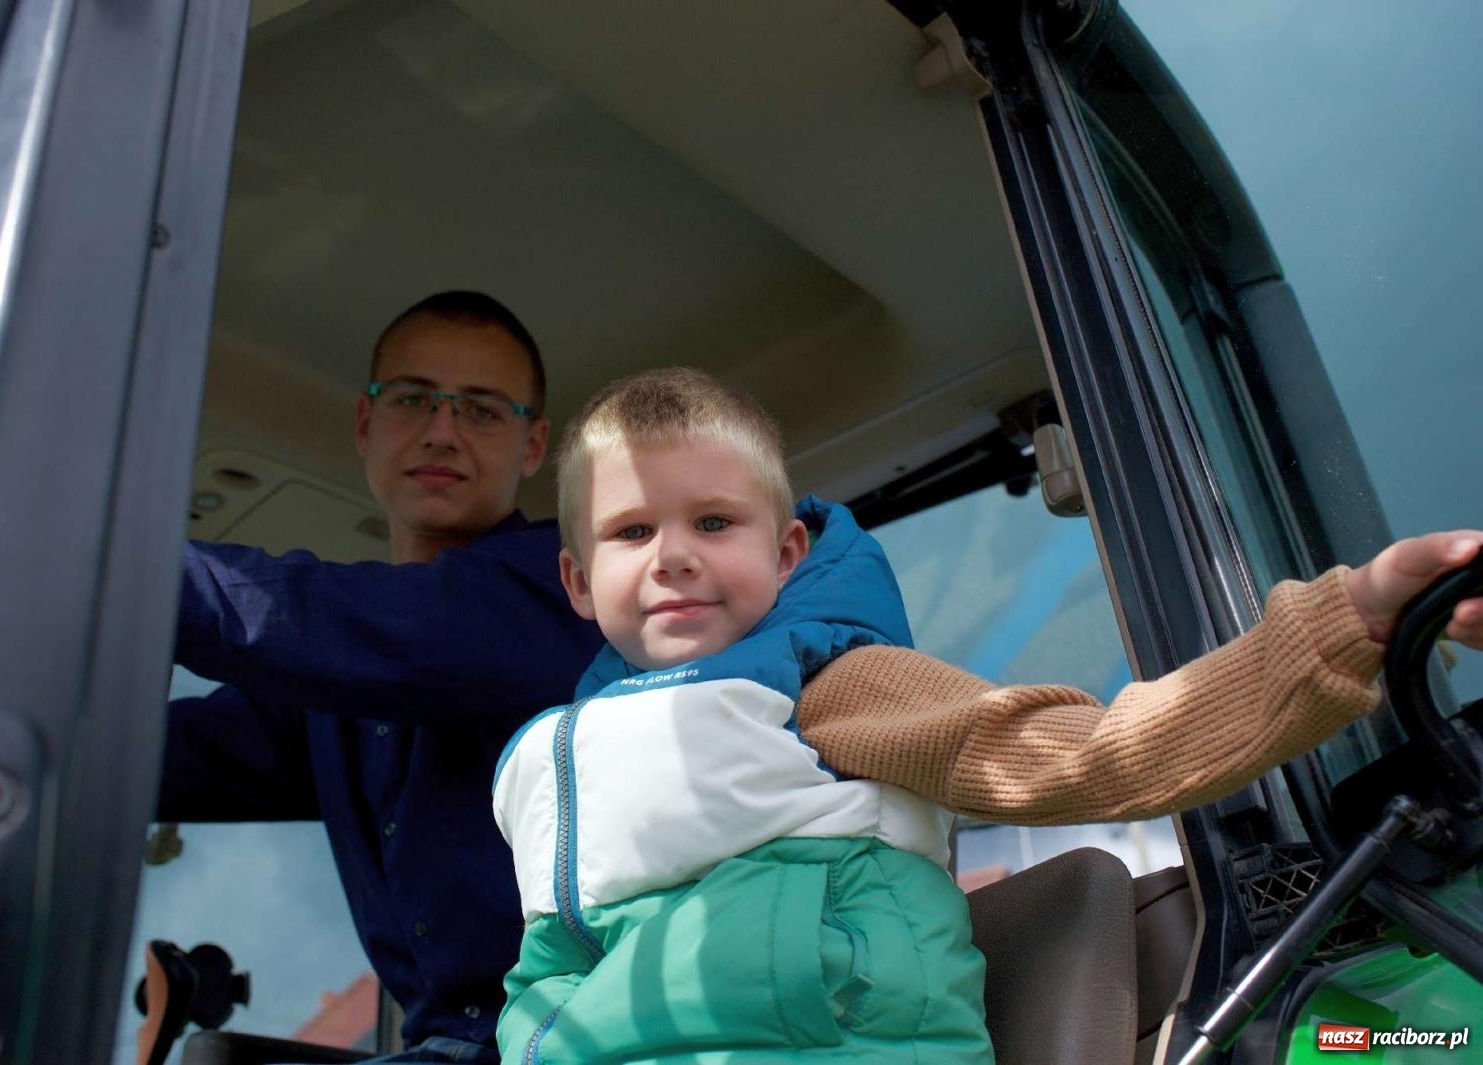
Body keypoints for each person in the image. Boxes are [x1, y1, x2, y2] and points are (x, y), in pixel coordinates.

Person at [490, 367, 1483, 1063]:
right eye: (632, 531)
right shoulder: (550, 767)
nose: (671, 555)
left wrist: (1348, 617)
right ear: (578, 581)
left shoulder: (832, 689)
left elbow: (1100, 759)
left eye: (713, 522)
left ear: (787, 553)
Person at [158, 292, 605, 1063]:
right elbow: (150, 755)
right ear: (366, 424)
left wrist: (103, 549)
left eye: (482, 410)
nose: (442, 430)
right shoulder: (343, 689)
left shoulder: (565, 590)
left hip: (573, 1042)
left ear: (534, 447)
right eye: (413, 399)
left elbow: (360, 628)